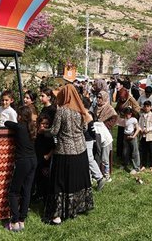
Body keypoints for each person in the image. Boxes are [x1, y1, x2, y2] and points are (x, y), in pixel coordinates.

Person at [43, 84, 94, 225]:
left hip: (64, 152)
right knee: (75, 181)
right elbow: (84, 127)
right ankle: (74, 209)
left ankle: (57, 215)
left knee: (60, 183)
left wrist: (43, 131)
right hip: (81, 151)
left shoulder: (62, 111)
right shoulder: (80, 110)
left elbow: (54, 131)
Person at [4, 105, 37, 232]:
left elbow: (7, 122)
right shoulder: (32, 128)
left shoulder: (19, 127)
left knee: (13, 192)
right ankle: (22, 220)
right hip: (33, 160)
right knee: (26, 191)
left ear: (20, 116)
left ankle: (14, 222)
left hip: (22, 161)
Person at [34, 113, 55, 201]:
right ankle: (37, 194)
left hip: (45, 160)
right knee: (36, 178)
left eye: (47, 124)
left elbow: (54, 147)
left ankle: (43, 195)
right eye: (43, 124)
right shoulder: (35, 134)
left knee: (44, 178)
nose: (45, 126)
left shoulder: (48, 135)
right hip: (36, 158)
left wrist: (48, 155)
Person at [93, 115, 113, 180]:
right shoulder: (96, 123)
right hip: (105, 140)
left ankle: (107, 176)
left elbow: (98, 142)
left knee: (105, 159)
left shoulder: (94, 126)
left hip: (107, 142)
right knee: (103, 158)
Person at [122, 106, 141, 173]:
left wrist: (133, 136)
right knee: (125, 151)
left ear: (131, 114)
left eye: (129, 114)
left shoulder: (134, 119)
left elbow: (138, 129)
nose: (128, 115)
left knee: (134, 152)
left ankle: (137, 167)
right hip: (126, 136)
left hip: (132, 135)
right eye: (126, 114)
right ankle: (125, 164)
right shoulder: (124, 119)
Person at [139, 101, 152, 171]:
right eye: (145, 106)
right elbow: (139, 124)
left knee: (151, 151)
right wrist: (140, 130)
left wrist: (148, 129)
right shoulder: (141, 115)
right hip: (143, 135)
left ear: (150, 107)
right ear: (143, 107)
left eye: (148, 106)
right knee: (144, 151)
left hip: (150, 136)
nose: (146, 108)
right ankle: (143, 165)